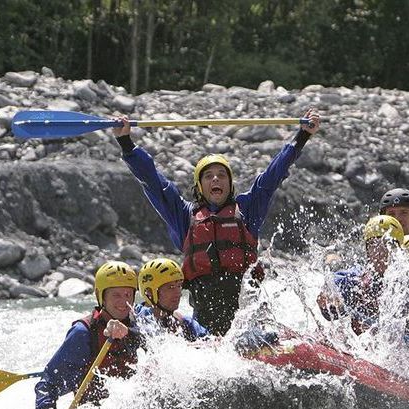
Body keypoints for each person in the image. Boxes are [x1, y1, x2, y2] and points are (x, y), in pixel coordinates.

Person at [112, 109, 321, 335]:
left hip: (248, 320)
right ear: (200, 186)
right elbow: (153, 181)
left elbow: (272, 176)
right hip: (204, 325)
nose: (215, 179)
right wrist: (126, 143)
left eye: (222, 175)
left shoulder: (248, 210)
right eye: (208, 175)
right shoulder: (184, 217)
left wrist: (302, 137)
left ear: (230, 185)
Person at [34, 261, 143, 409]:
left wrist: (127, 333)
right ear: (101, 296)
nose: (124, 301)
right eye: (116, 295)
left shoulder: (139, 322)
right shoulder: (83, 333)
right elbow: (49, 383)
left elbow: (149, 341)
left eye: (128, 294)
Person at [317, 215, 404, 335]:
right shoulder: (355, 278)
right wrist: (327, 299)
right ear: (367, 250)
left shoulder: (407, 286)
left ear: (397, 250)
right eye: (374, 244)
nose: (380, 251)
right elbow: (329, 308)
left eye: (387, 244)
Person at [136, 257, 209, 341]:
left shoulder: (184, 322)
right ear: (149, 293)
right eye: (171, 287)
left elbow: (211, 340)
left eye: (179, 286)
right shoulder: (138, 317)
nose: (179, 293)